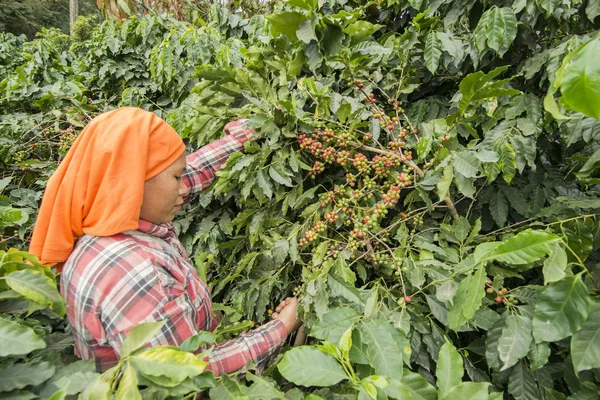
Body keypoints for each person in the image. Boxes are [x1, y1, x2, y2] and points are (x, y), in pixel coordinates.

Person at [29, 107, 301, 374]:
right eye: (176, 177)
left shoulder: (101, 218)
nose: (184, 187)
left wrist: (245, 136)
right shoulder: (136, 273)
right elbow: (192, 375)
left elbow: (190, 173)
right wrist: (281, 328)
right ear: (135, 180)